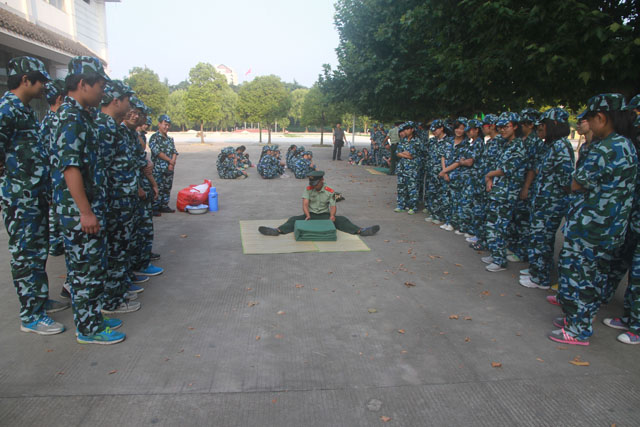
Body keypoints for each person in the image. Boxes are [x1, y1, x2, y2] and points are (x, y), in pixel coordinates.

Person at [550, 94, 638, 346]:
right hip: (606, 227)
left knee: (580, 277)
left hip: (592, 228)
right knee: (591, 277)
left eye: (589, 118)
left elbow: (576, 183)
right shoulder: (626, 144)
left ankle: (578, 329)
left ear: (601, 117)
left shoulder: (608, 147)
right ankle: (576, 320)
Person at [52, 56, 125, 344]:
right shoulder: (70, 117)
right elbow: (70, 168)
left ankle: (92, 317)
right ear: (83, 84)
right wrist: (85, 212)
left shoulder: (82, 115)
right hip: (79, 212)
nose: (102, 92)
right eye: (100, 86)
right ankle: (89, 329)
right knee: (85, 271)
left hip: (89, 206)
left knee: (92, 268)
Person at [0, 56, 70, 336]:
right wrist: (13, 184)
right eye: (40, 80)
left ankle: (38, 300)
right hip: (21, 199)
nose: (44, 86)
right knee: (25, 254)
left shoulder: (23, 109)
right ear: (25, 80)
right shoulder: (7, 109)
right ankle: (30, 315)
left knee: (37, 252)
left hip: (34, 195)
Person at [95, 80, 141, 315]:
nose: (130, 106)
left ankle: (118, 292)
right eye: (127, 100)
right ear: (116, 101)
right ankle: (112, 301)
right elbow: (101, 169)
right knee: (115, 251)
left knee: (120, 250)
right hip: (114, 202)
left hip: (122, 200)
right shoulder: (104, 127)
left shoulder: (112, 126)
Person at [519, 108, 574, 290]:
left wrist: (554, 197)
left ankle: (541, 278)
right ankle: (536, 270)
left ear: (555, 124)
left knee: (542, 238)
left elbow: (566, 180)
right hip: (543, 201)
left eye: (543, 124)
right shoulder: (550, 145)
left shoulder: (561, 146)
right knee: (538, 237)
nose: (539, 128)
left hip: (551, 203)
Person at [257, 171, 380, 236]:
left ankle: (361, 231)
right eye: (312, 184)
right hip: (310, 215)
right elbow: (305, 204)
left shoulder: (330, 191)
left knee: (342, 220)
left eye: (316, 184)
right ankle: (277, 231)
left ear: (322, 180)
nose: (314, 186)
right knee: (293, 219)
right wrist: (307, 215)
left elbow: (333, 206)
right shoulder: (308, 189)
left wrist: (332, 216)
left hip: (325, 216)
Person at [482, 112, 527, 272]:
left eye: (506, 126)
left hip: (507, 193)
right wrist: (489, 179)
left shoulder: (518, 146)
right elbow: (496, 164)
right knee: (493, 224)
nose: (502, 130)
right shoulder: (505, 144)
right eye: (500, 127)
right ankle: (496, 253)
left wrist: (489, 175)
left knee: (498, 226)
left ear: (515, 126)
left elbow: (506, 169)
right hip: (498, 190)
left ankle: (499, 260)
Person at [41, 79, 66, 257]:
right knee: (55, 212)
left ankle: (56, 243)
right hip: (55, 175)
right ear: (59, 99)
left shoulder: (47, 120)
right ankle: (55, 243)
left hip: (53, 175)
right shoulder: (56, 121)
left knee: (55, 211)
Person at [149, 114, 178, 214]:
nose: (167, 127)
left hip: (169, 168)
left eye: (168, 125)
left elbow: (174, 151)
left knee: (167, 187)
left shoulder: (170, 139)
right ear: (159, 124)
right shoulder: (154, 138)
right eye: (165, 124)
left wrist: (172, 163)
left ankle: (164, 205)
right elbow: (157, 152)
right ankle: (155, 207)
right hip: (158, 169)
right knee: (158, 187)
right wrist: (170, 160)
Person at [394, 122, 420, 214]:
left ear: (412, 129)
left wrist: (404, 154)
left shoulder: (417, 141)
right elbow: (397, 153)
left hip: (412, 168)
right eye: (405, 129)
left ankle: (412, 206)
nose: (405, 131)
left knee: (412, 187)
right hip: (402, 168)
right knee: (401, 187)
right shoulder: (403, 140)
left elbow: (412, 155)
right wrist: (405, 154)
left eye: (407, 129)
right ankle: (401, 205)